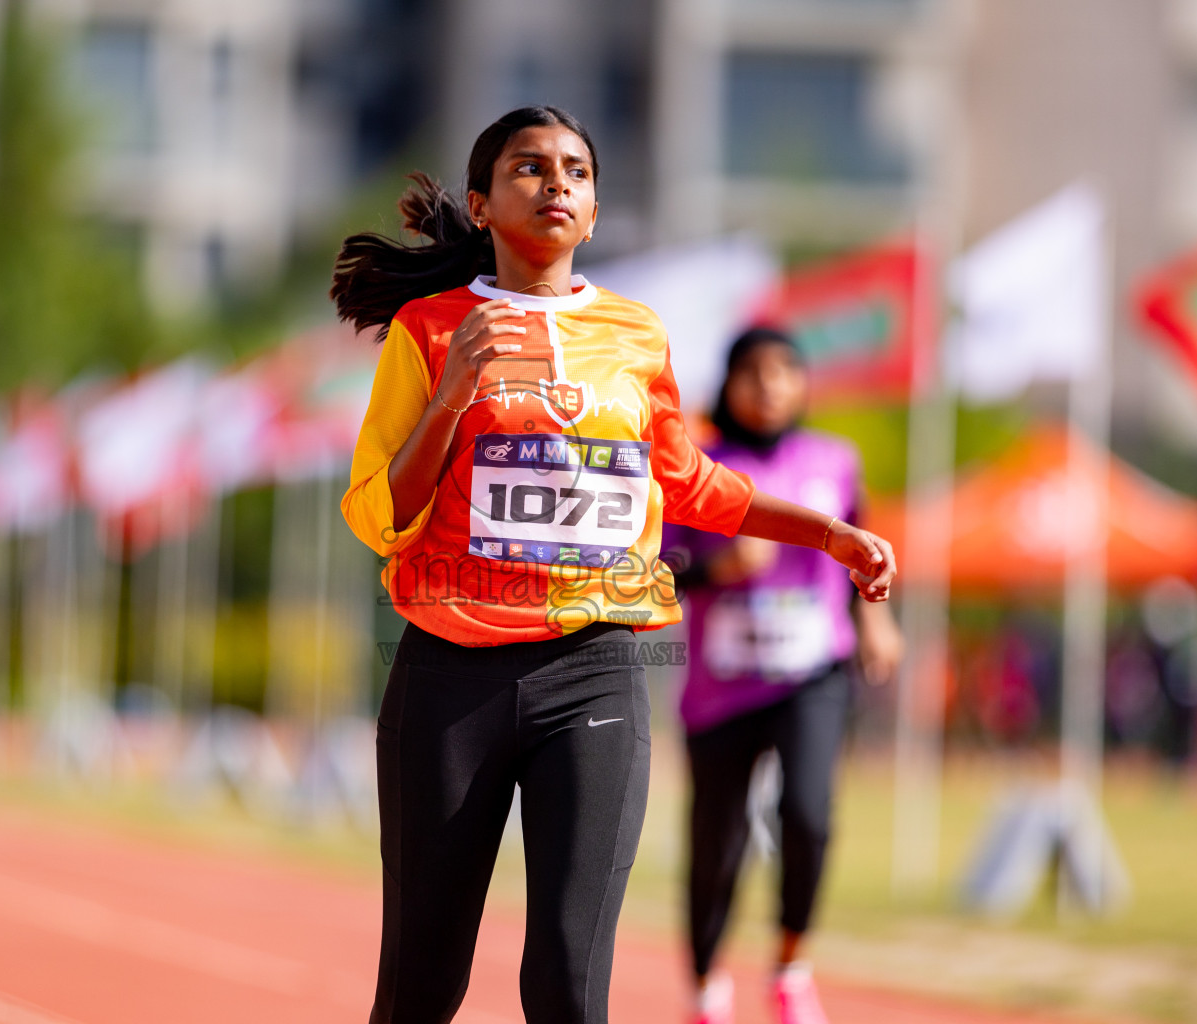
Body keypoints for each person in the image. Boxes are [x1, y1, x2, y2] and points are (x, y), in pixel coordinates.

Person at [330, 106, 898, 1024]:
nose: (557, 183)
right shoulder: (431, 329)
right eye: (529, 168)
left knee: (566, 982)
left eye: (577, 172)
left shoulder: (637, 335)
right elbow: (377, 513)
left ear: (592, 215)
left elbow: (689, 480)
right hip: (447, 676)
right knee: (423, 985)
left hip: (592, 671)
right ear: (480, 204)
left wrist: (826, 534)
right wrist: (451, 398)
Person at [662, 328, 905, 1024]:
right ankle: (706, 984)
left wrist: (878, 619)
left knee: (809, 815)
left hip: (811, 673)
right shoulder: (696, 466)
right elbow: (656, 576)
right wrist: (716, 570)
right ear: (728, 383)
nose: (769, 385)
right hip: (721, 689)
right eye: (752, 372)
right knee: (717, 843)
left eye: (784, 370)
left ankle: (791, 966)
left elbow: (867, 551)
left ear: (803, 383)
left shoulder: (836, 461)